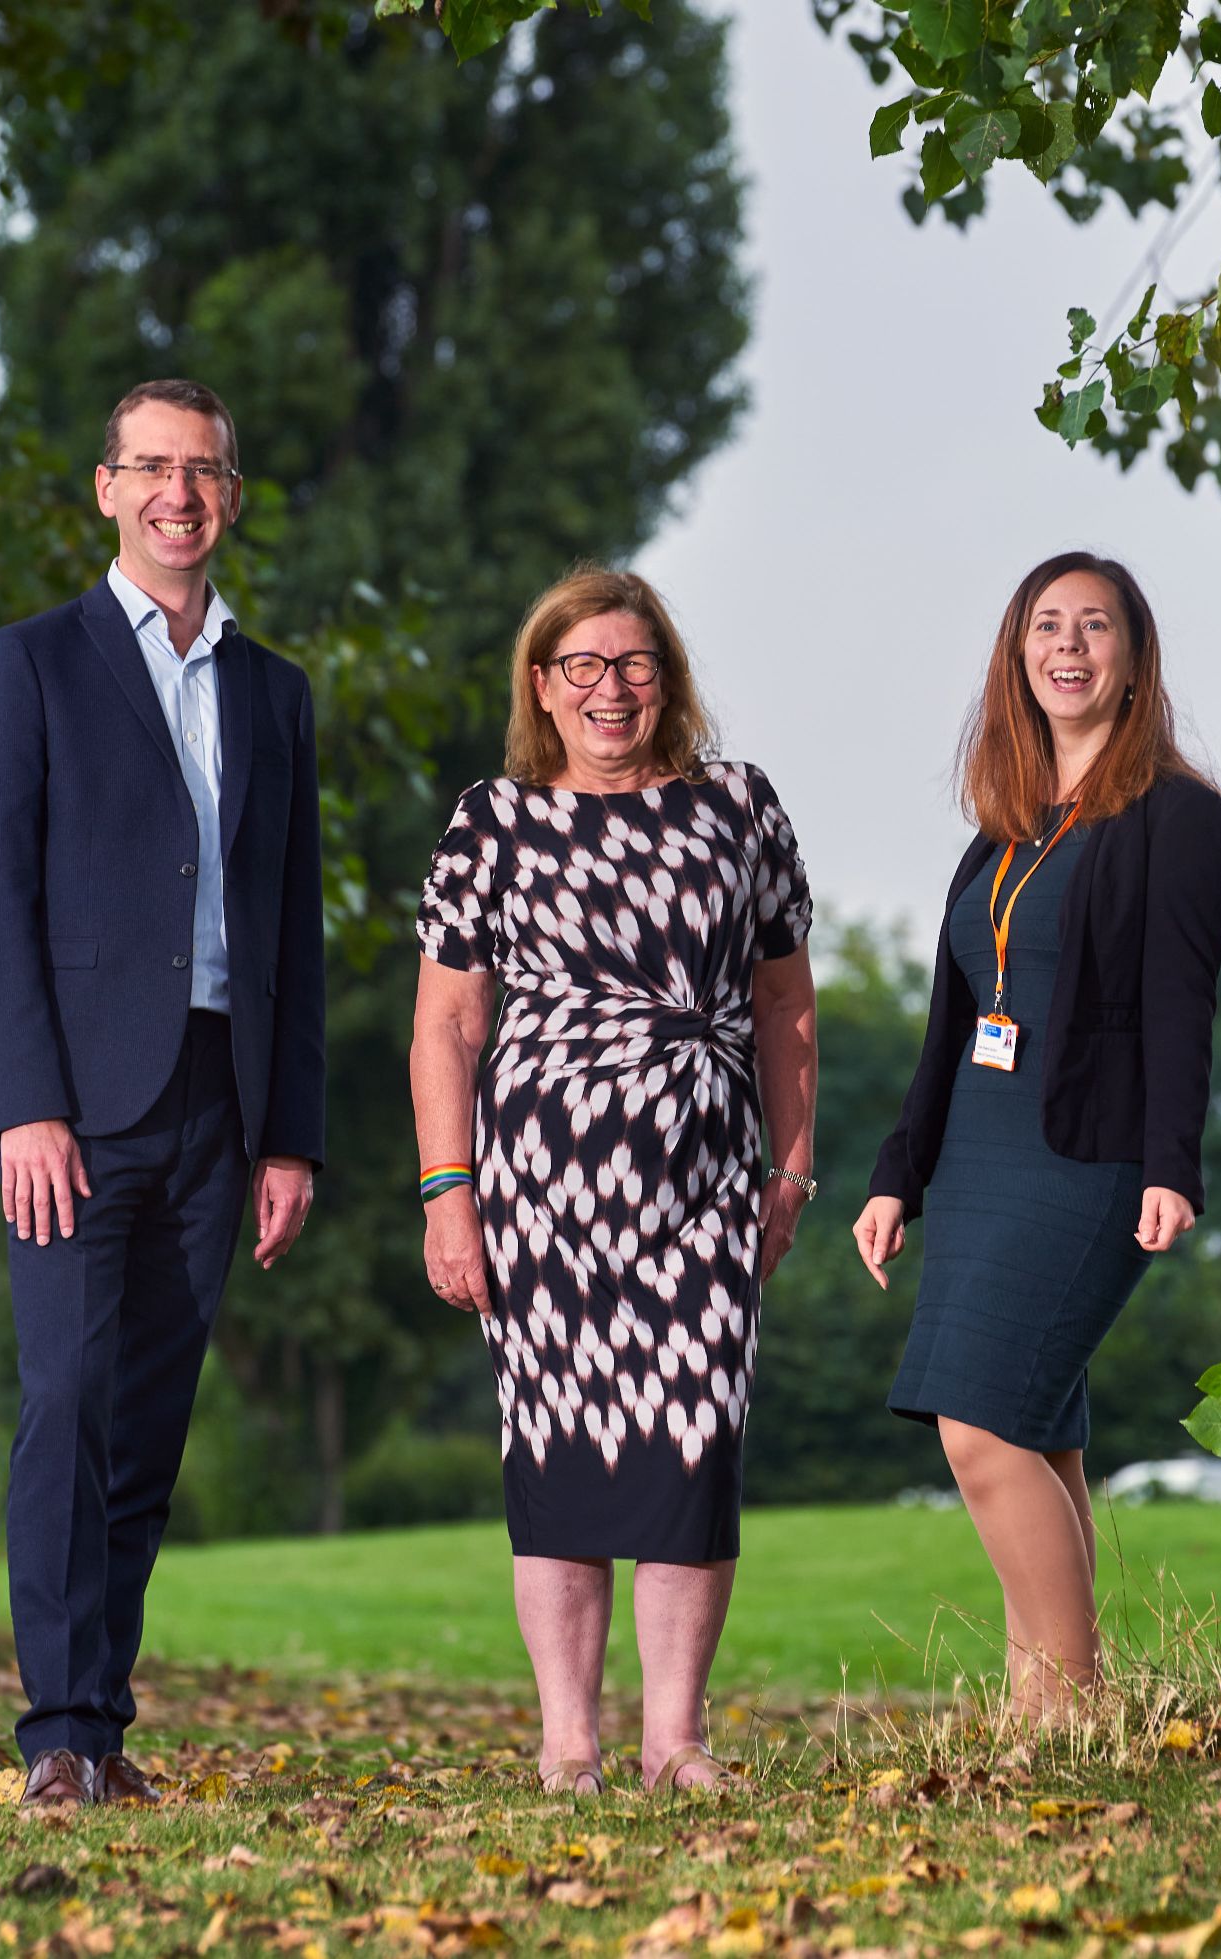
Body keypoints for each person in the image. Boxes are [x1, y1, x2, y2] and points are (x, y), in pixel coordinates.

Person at [0, 379, 325, 1810]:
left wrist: (289, 1130)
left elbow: (285, 924)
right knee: (64, 1400)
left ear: (230, 495)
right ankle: (51, 1726)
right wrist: (23, 1103)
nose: (180, 491)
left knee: (150, 1422)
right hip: (77, 1110)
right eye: (151, 466)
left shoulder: (272, 691)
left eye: (205, 469)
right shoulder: (28, 665)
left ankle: (102, 1726)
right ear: (105, 487)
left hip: (218, 1108)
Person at [411, 568, 817, 1795]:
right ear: (542, 685)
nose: (609, 689)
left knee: (694, 1447)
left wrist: (790, 1167)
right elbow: (445, 1024)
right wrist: (447, 1191)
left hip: (702, 1185)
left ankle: (674, 1740)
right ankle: (568, 1740)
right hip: (541, 1189)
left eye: (632, 664)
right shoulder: (492, 821)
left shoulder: (739, 809)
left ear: (667, 680)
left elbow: (785, 1005)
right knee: (558, 1454)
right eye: (580, 666)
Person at [853, 550, 1221, 1725]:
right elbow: (952, 1021)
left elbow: (1182, 1001)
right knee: (1030, 1425)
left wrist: (1172, 1163)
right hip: (975, 1154)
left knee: (978, 1419)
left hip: (1087, 1152)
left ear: (1131, 659)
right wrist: (895, 1175)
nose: (1067, 648)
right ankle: (1039, 1701)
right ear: (1016, 659)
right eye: (1045, 628)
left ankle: (1069, 1705)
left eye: (1094, 628)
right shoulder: (1001, 832)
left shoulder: (1177, 814)